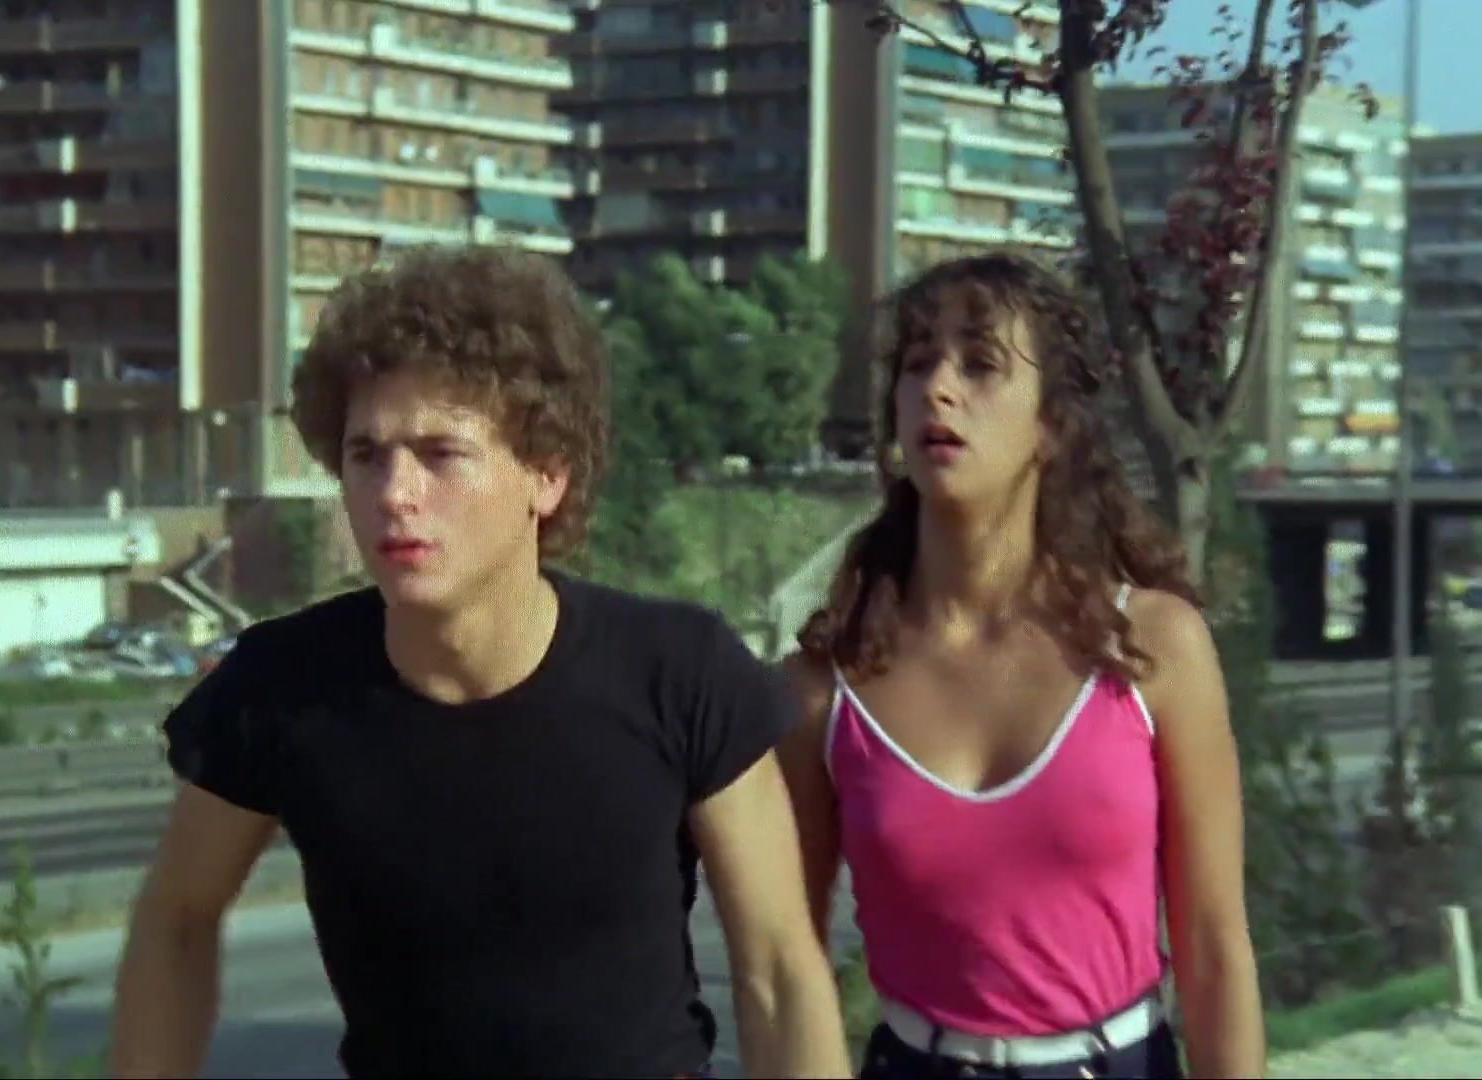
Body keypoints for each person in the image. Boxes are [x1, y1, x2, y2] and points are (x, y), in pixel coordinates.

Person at [108, 246, 851, 1079]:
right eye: (366, 455)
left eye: (441, 454)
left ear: (546, 475)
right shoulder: (281, 687)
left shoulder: (678, 672)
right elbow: (177, 918)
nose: (395, 492)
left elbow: (779, 973)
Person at [776, 254, 1266, 1080]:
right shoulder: (822, 693)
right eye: (918, 362)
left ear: (1052, 424)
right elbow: (789, 967)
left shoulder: (1155, 648)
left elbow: (1214, 948)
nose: (938, 388)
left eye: (980, 363)